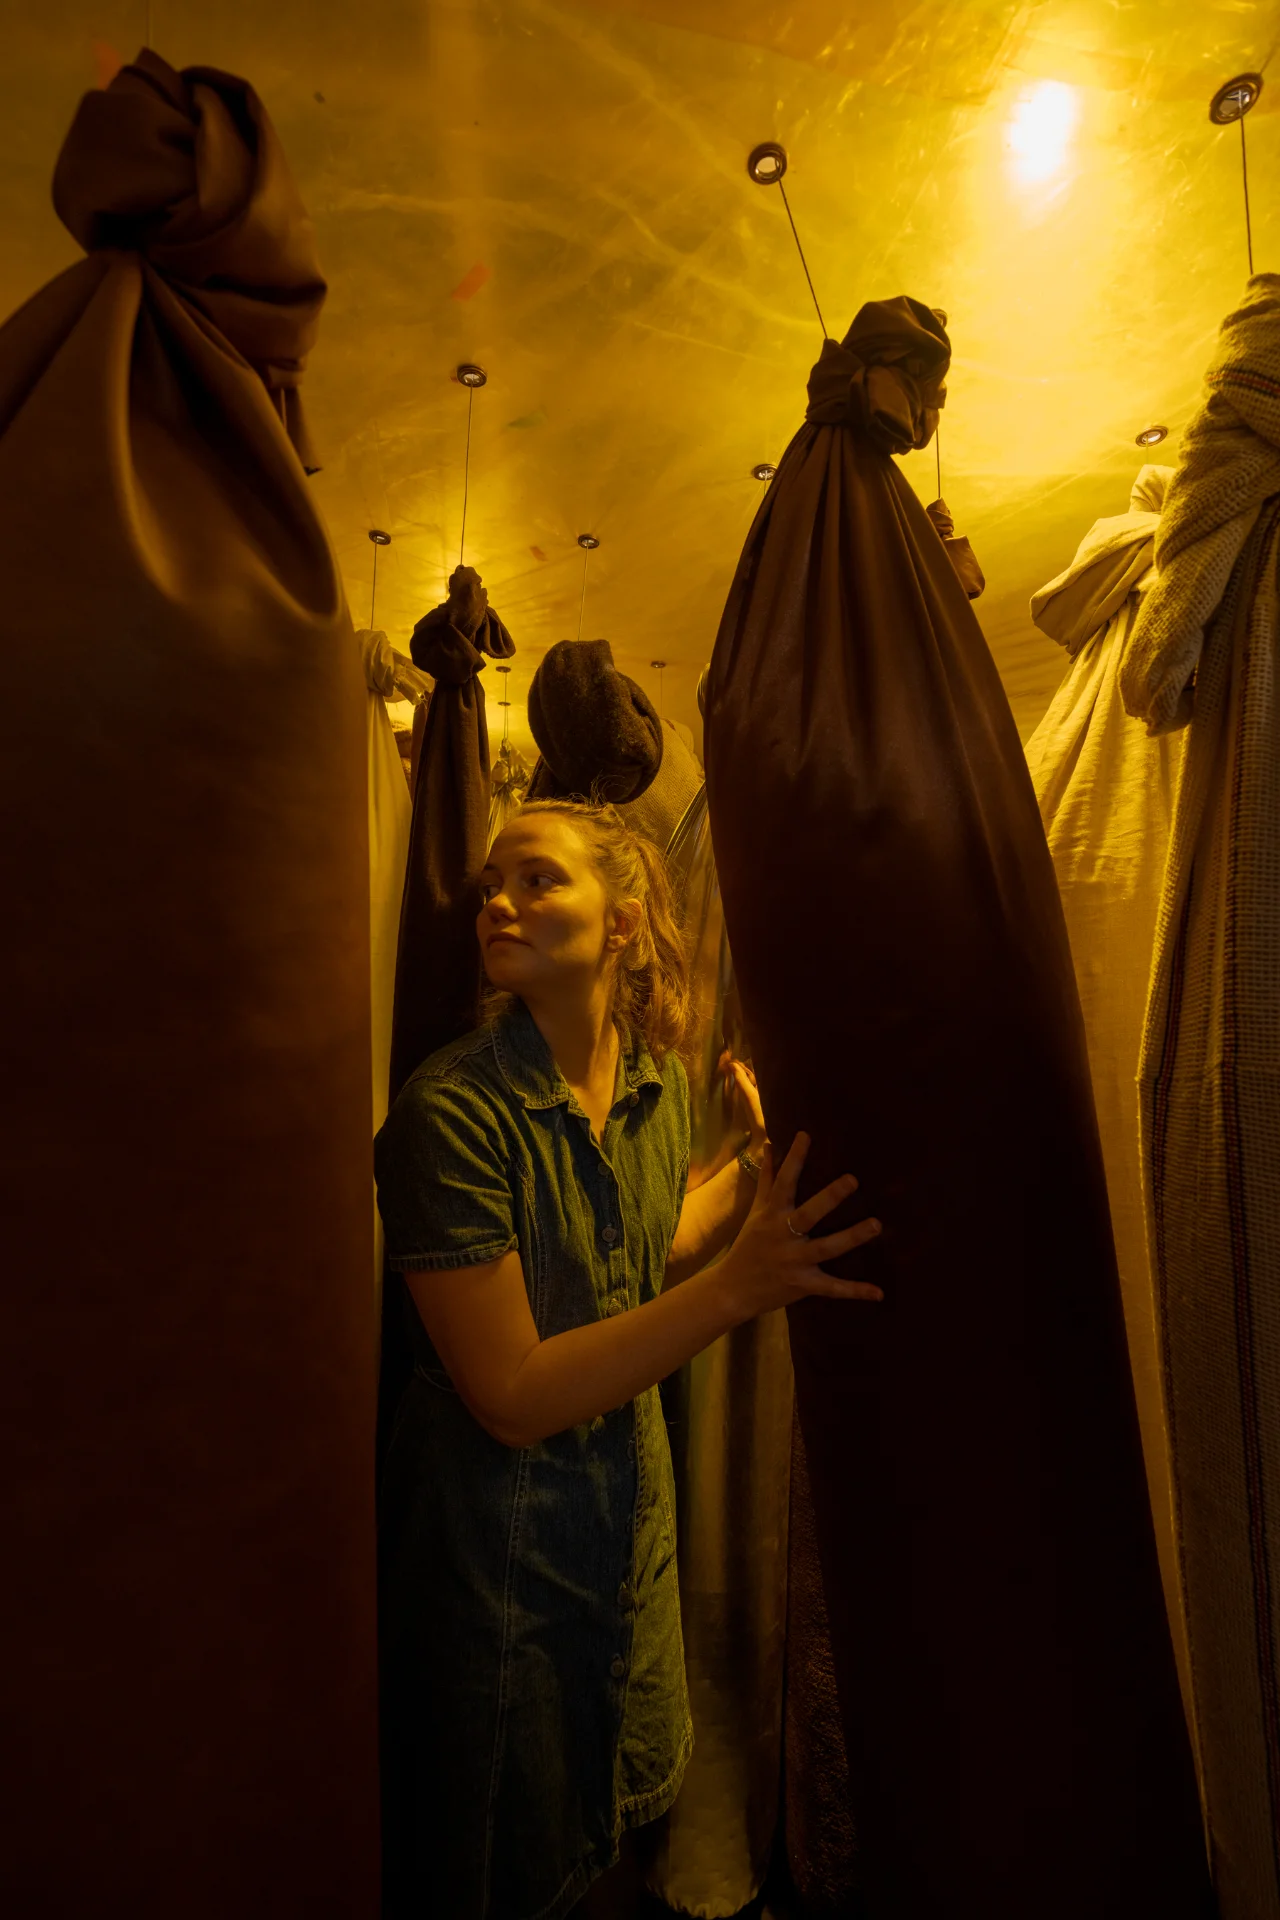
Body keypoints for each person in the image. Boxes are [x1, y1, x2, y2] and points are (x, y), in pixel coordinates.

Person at [374, 799, 883, 1920]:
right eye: (492, 886)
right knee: (501, 1863)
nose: (498, 905)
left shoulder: (651, 1084)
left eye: (537, 879)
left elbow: (641, 1252)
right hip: (498, 1569)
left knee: (610, 1842)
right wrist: (741, 1288)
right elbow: (510, 1394)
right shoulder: (450, 1116)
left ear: (622, 920)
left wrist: (754, 1168)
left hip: (624, 1547)